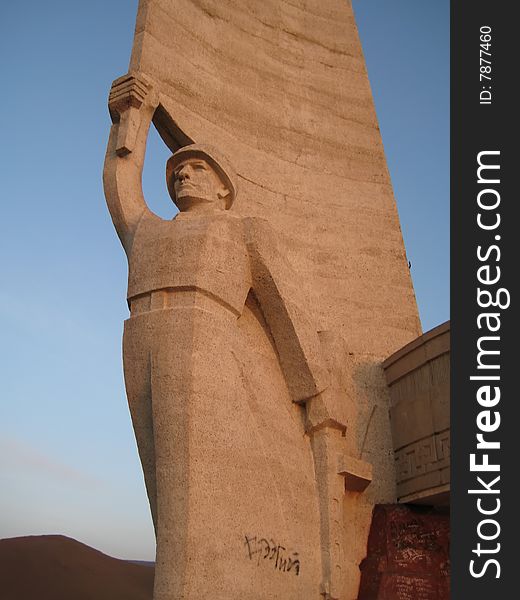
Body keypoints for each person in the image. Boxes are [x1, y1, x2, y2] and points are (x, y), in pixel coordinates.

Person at [104, 72, 355, 600]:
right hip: (141, 334)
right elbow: (121, 191)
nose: (184, 175)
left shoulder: (242, 231)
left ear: (224, 187)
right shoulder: (150, 230)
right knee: (163, 487)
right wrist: (131, 121)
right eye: (178, 170)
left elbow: (288, 314)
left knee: (191, 489)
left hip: (205, 332)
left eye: (198, 169)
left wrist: (317, 400)